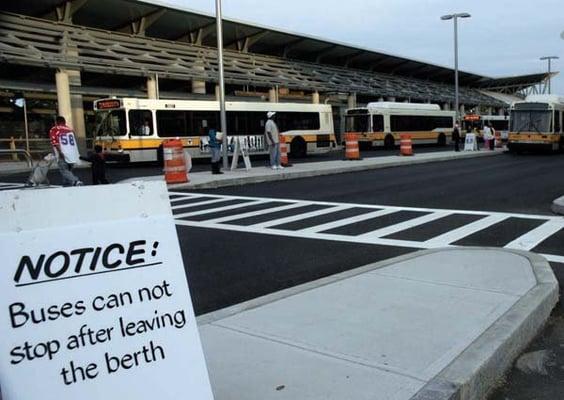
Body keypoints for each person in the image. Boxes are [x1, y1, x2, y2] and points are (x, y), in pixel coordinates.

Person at [49, 116, 83, 186]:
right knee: (69, 170)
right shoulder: (70, 130)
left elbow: (55, 142)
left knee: (64, 170)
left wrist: (60, 152)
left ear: (56, 122)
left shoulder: (55, 129)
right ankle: (68, 183)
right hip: (72, 153)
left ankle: (75, 181)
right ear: (64, 122)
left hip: (63, 152)